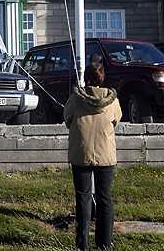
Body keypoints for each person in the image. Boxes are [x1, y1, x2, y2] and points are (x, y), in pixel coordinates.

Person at [64, 63, 122, 251]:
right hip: (105, 153)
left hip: (81, 153)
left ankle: (83, 245)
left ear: (86, 77)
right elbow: (116, 121)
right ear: (102, 77)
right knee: (105, 197)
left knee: (83, 198)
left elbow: (67, 119)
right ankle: (105, 243)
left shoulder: (75, 98)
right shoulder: (112, 100)